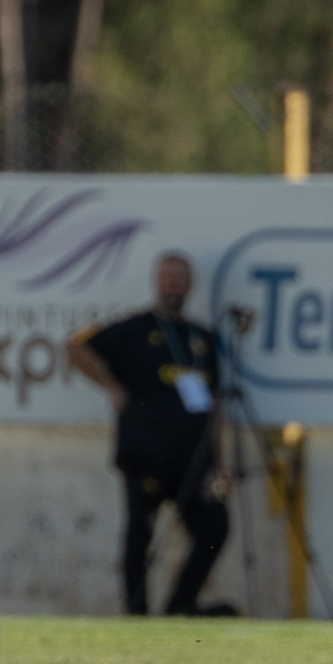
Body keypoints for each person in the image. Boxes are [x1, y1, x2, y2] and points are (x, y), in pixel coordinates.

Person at [68, 253, 235, 617]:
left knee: (214, 527)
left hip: (193, 458)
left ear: (190, 284)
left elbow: (215, 405)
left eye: (180, 277)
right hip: (145, 453)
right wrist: (111, 386)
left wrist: (221, 462)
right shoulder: (134, 328)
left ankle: (180, 605)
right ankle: (136, 613)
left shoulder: (203, 338)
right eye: (167, 276)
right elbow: (75, 346)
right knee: (140, 534)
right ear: (156, 281)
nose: (173, 284)